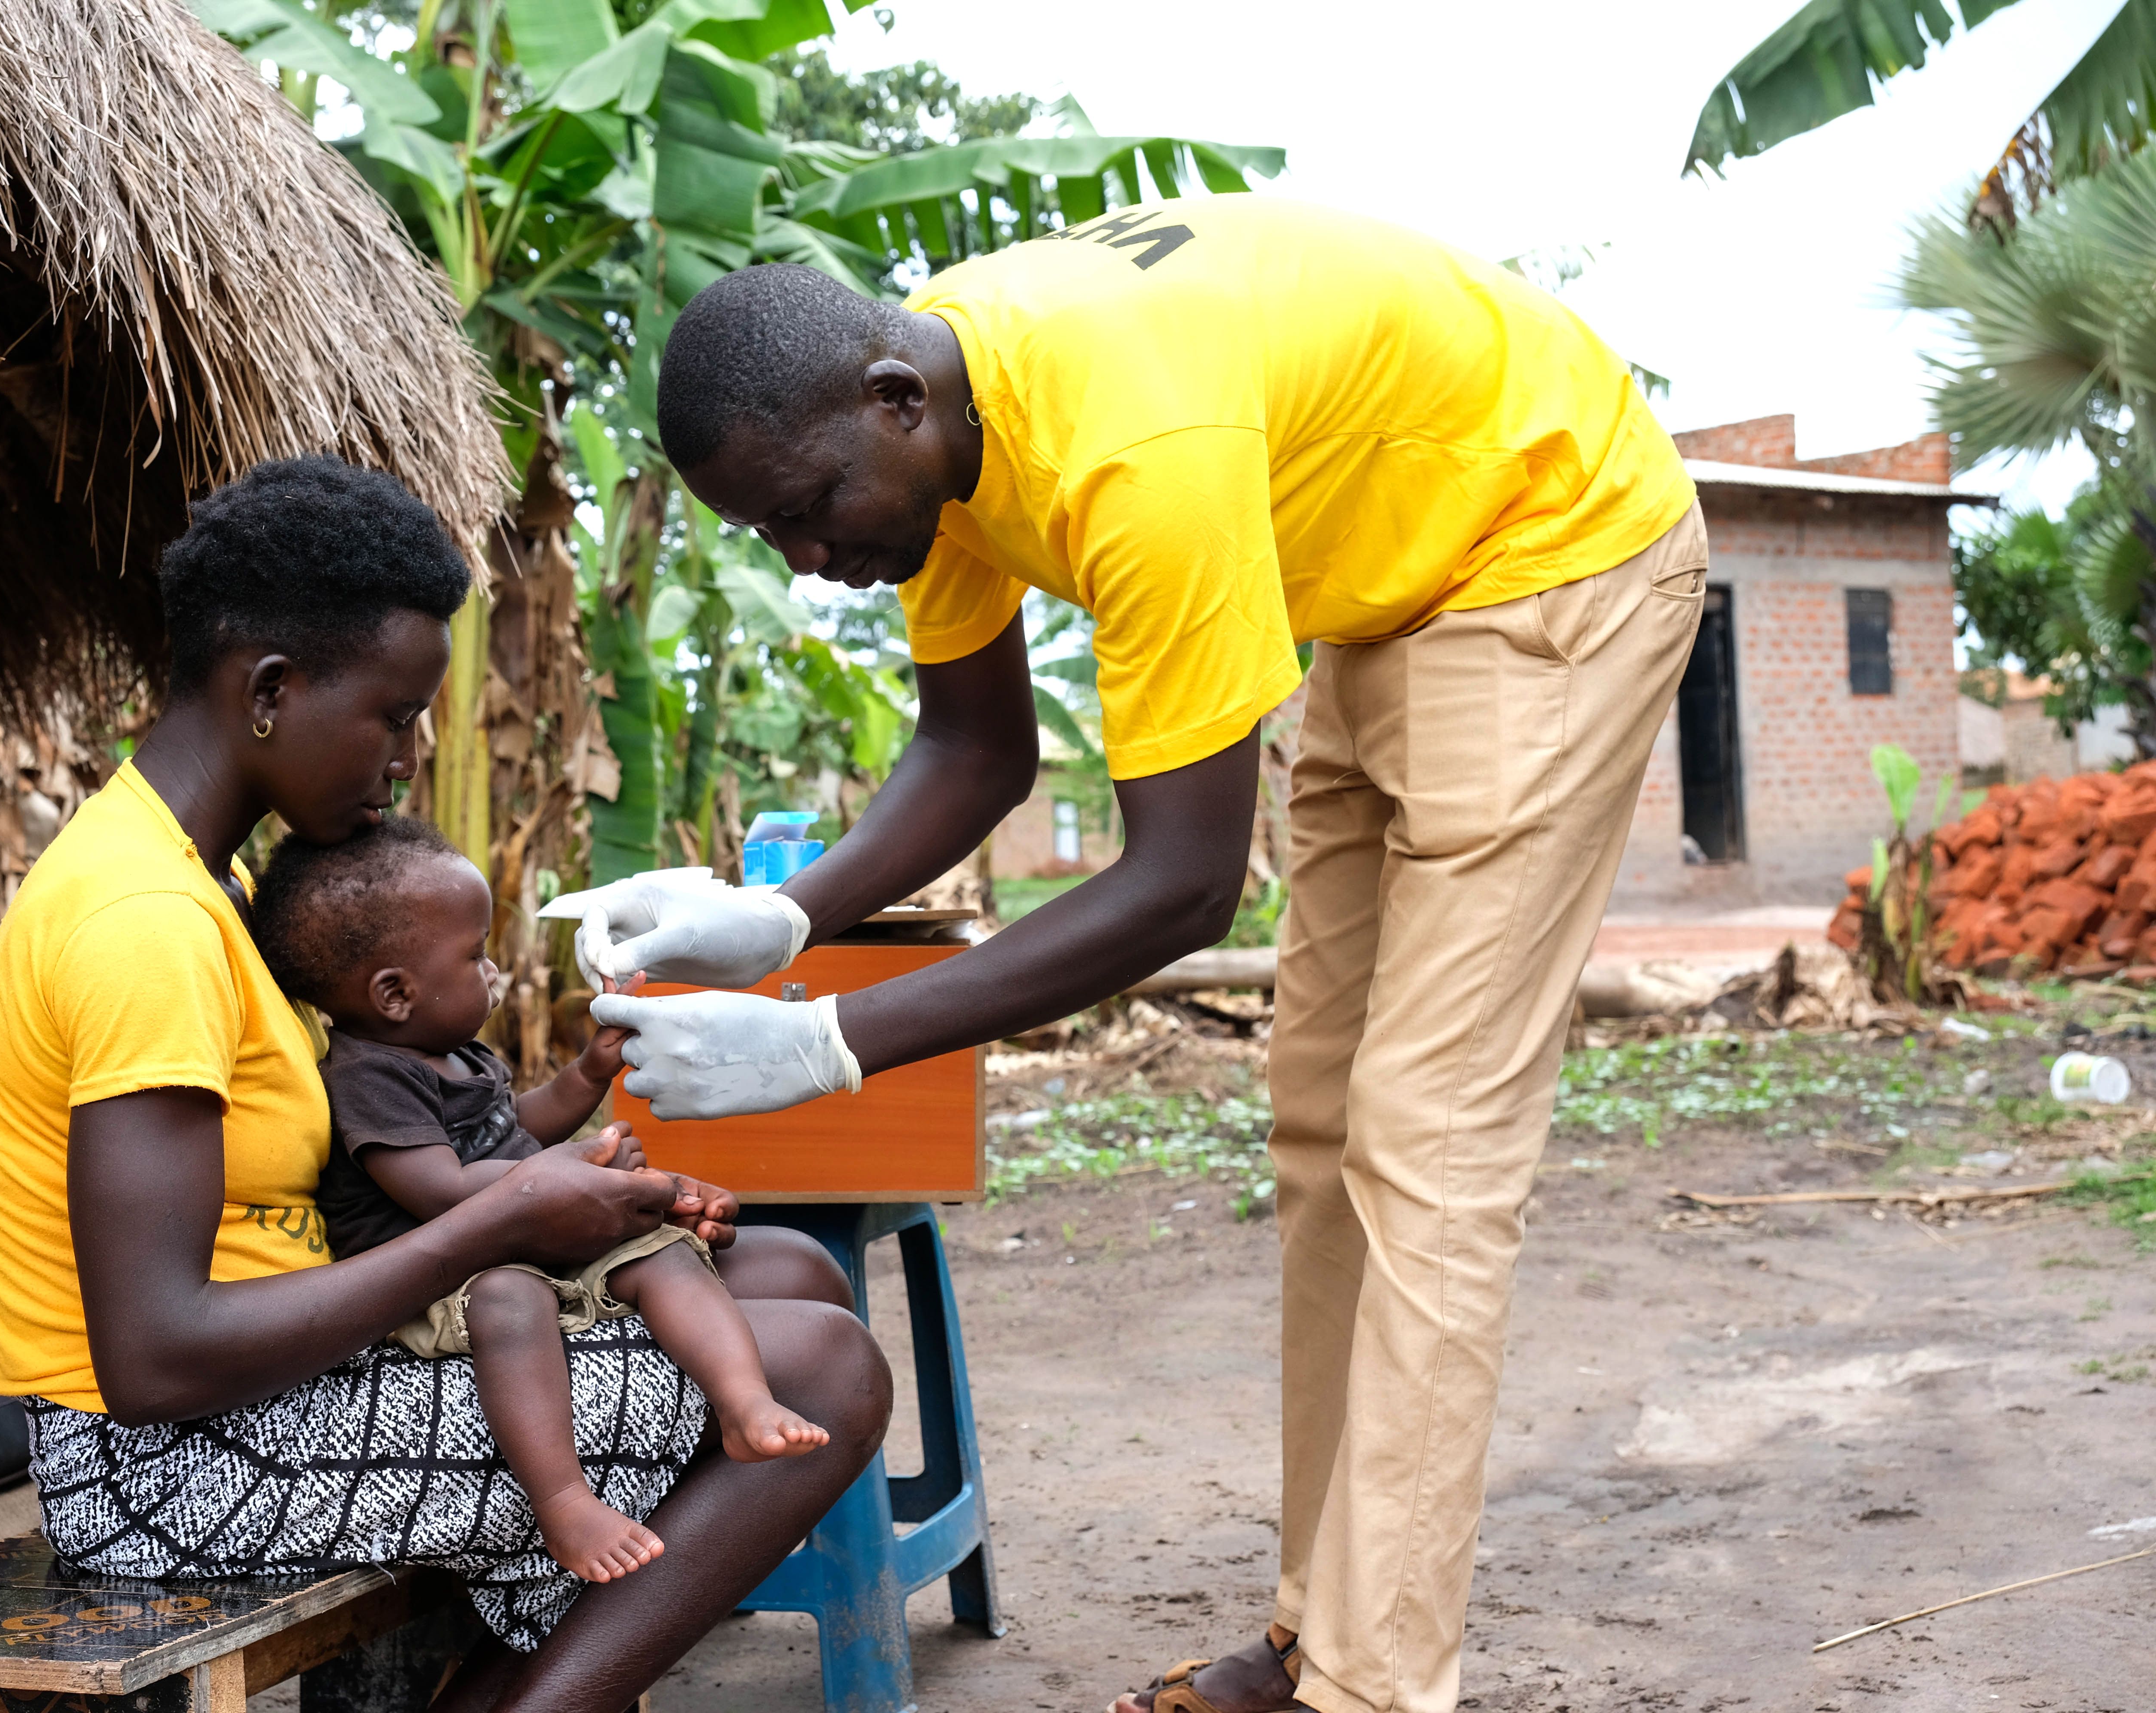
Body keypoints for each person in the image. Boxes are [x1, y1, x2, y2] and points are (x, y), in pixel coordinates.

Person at [576, 199, 1706, 1713]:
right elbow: (976, 752)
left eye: (811, 505)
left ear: (891, 405)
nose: (809, 552)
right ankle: (1322, 1635)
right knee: (1321, 1129)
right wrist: (787, 915)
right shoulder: (937, 419)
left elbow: (1182, 890)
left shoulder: (1126, 443)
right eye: (771, 530)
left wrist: (834, 1046)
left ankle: (1378, 1689)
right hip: (1391, 597)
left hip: (1555, 547)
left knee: (1430, 1146)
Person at [0, 455, 890, 1710]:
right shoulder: (147, 925)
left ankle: (502, 1669)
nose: (403, 761)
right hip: (167, 1466)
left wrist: (560, 1193)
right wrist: (499, 1222)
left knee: (788, 1274)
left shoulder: (205, 889)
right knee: (828, 1363)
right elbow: (156, 1361)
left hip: (266, 1402)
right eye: (393, 716)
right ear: (272, 693)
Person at [247, 817, 830, 1587]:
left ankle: (744, 1406)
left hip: (522, 1236)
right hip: (442, 1280)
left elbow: (512, 1127)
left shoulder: (452, 1052)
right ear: (395, 994)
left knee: (667, 1256)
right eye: (475, 956)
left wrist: (588, 1078)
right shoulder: (368, 1079)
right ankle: (563, 1503)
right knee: (513, 1302)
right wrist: (571, 1176)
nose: (493, 973)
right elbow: (443, 1192)